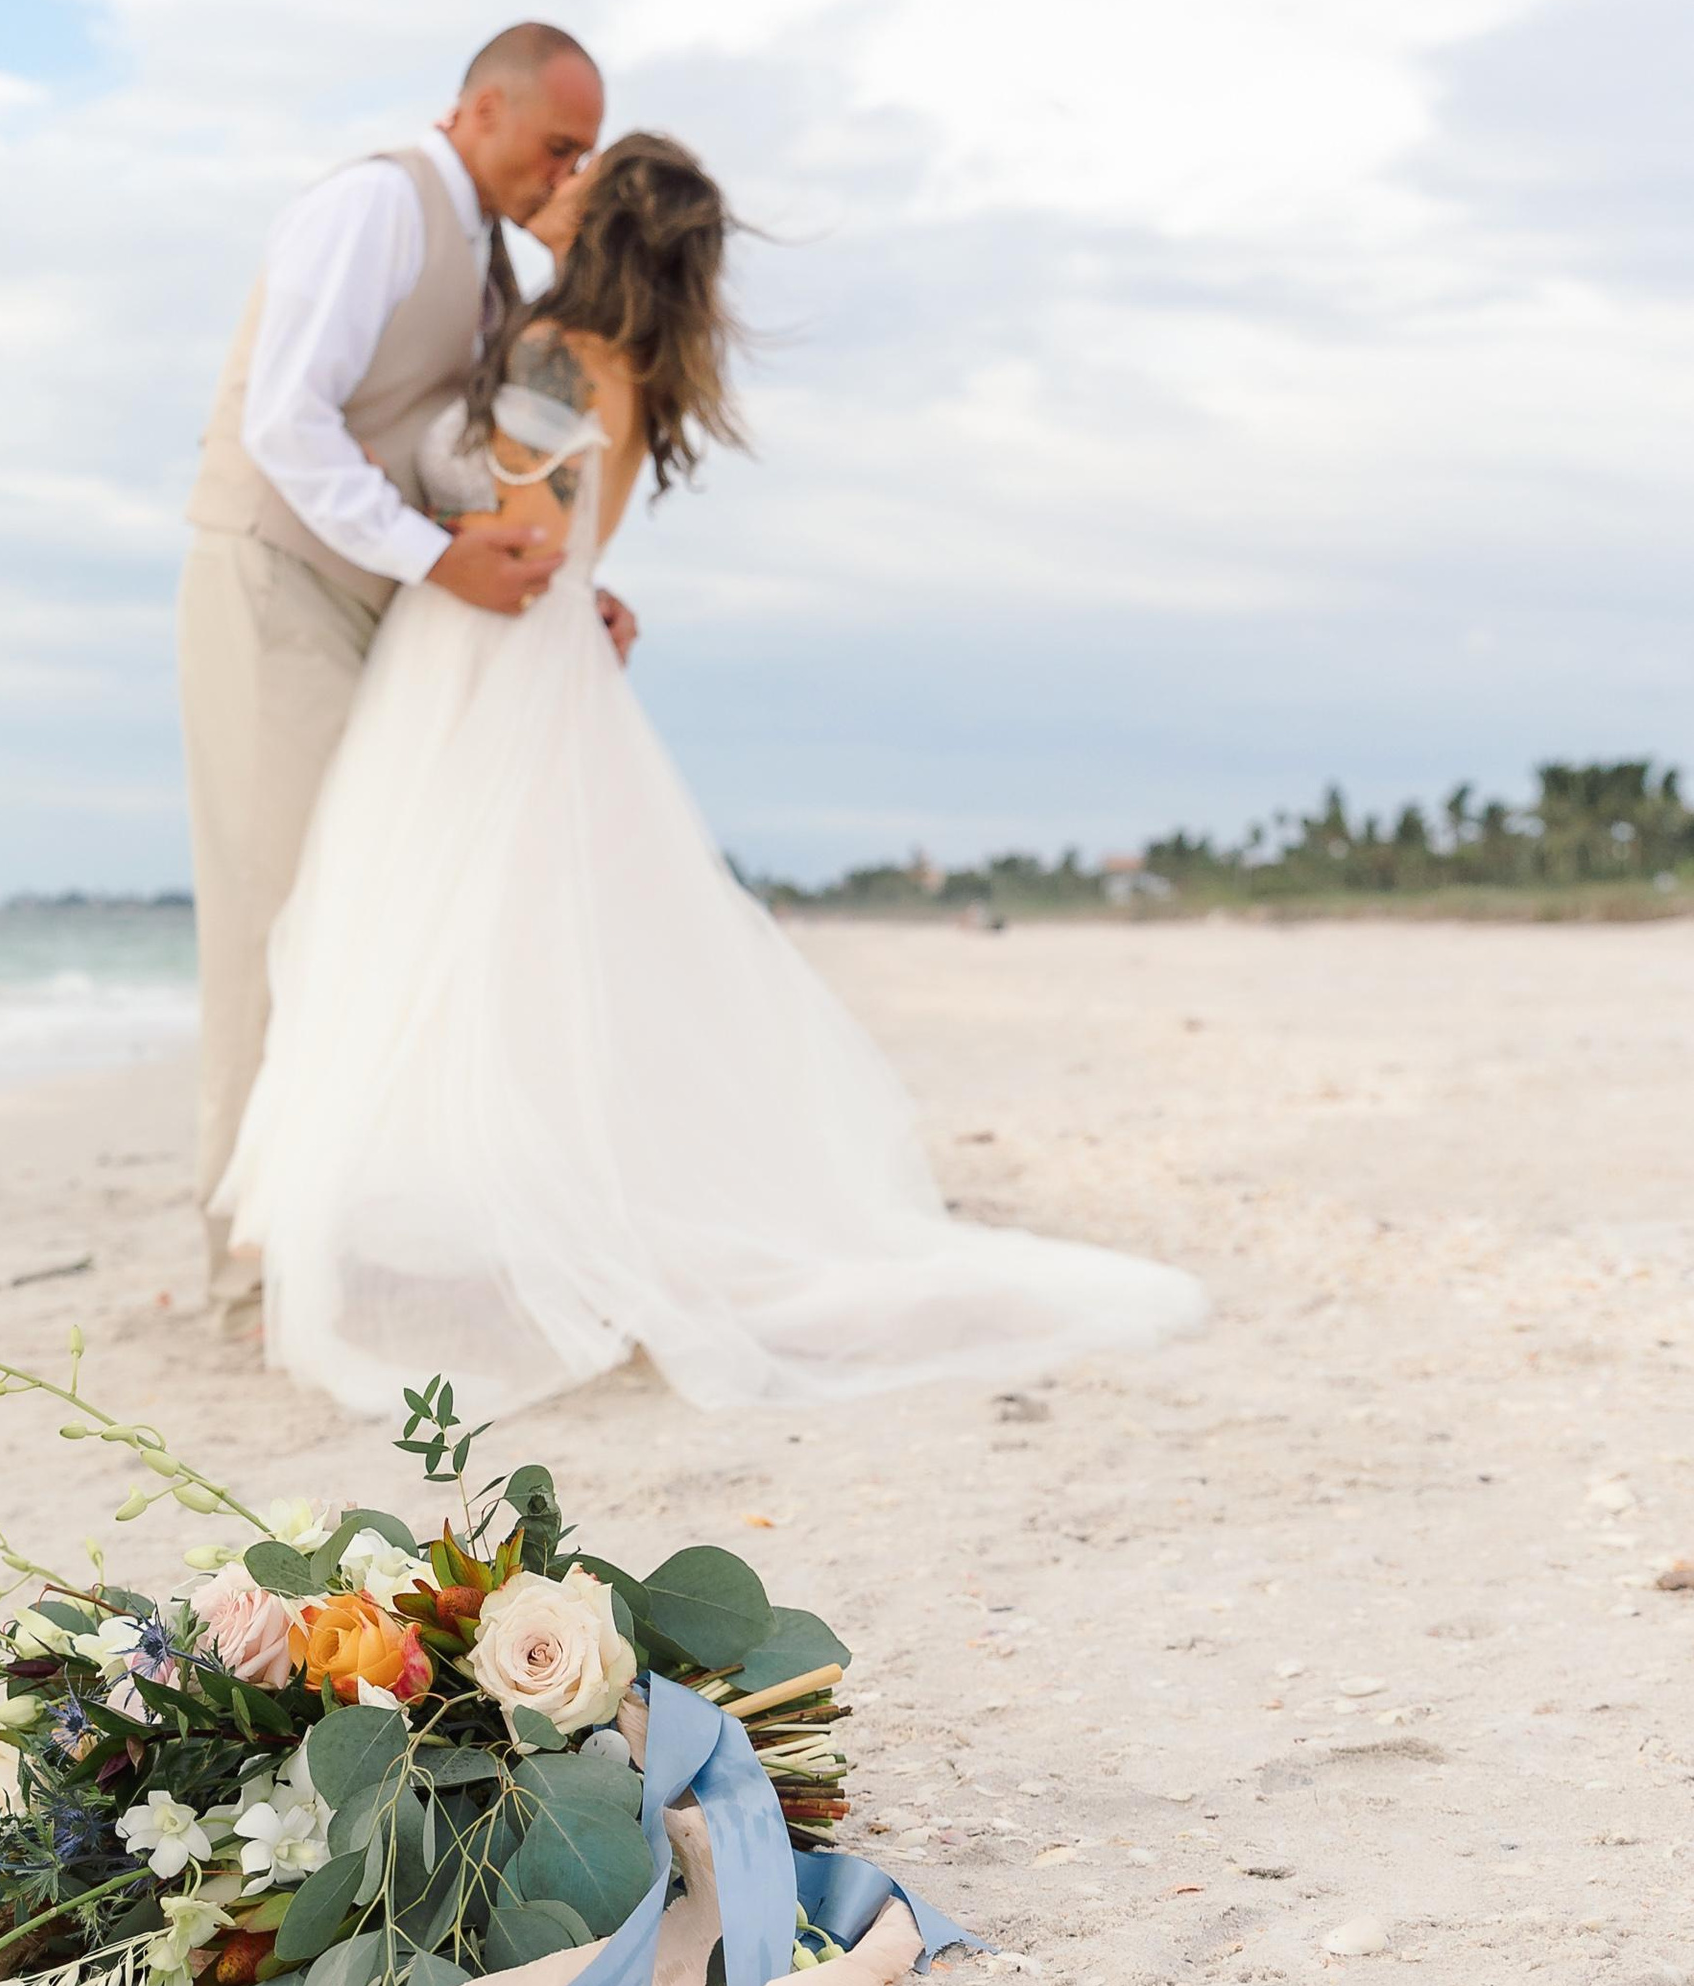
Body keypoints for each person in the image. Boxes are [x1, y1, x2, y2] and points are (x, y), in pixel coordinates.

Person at [216, 131, 1206, 1415]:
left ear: (606, 219)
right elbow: (567, 534)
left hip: (482, 655)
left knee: (431, 930)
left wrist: (424, 536)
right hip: (545, 655)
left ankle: (411, 1240)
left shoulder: (553, 351)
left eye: (583, 174)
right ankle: (466, 1224)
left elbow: (521, 534)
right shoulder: (630, 368)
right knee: (517, 948)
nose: (557, 186)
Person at [179, 23, 633, 1327]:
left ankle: (329, 1224)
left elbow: (455, 455)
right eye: (558, 143)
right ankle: (247, 1260)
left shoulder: (491, 263)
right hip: (271, 578)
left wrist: (564, 589)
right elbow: (287, 416)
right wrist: (435, 560)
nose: (570, 171)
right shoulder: (376, 204)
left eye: (588, 152)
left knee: (368, 913)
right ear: (480, 108)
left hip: (381, 596)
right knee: (277, 918)